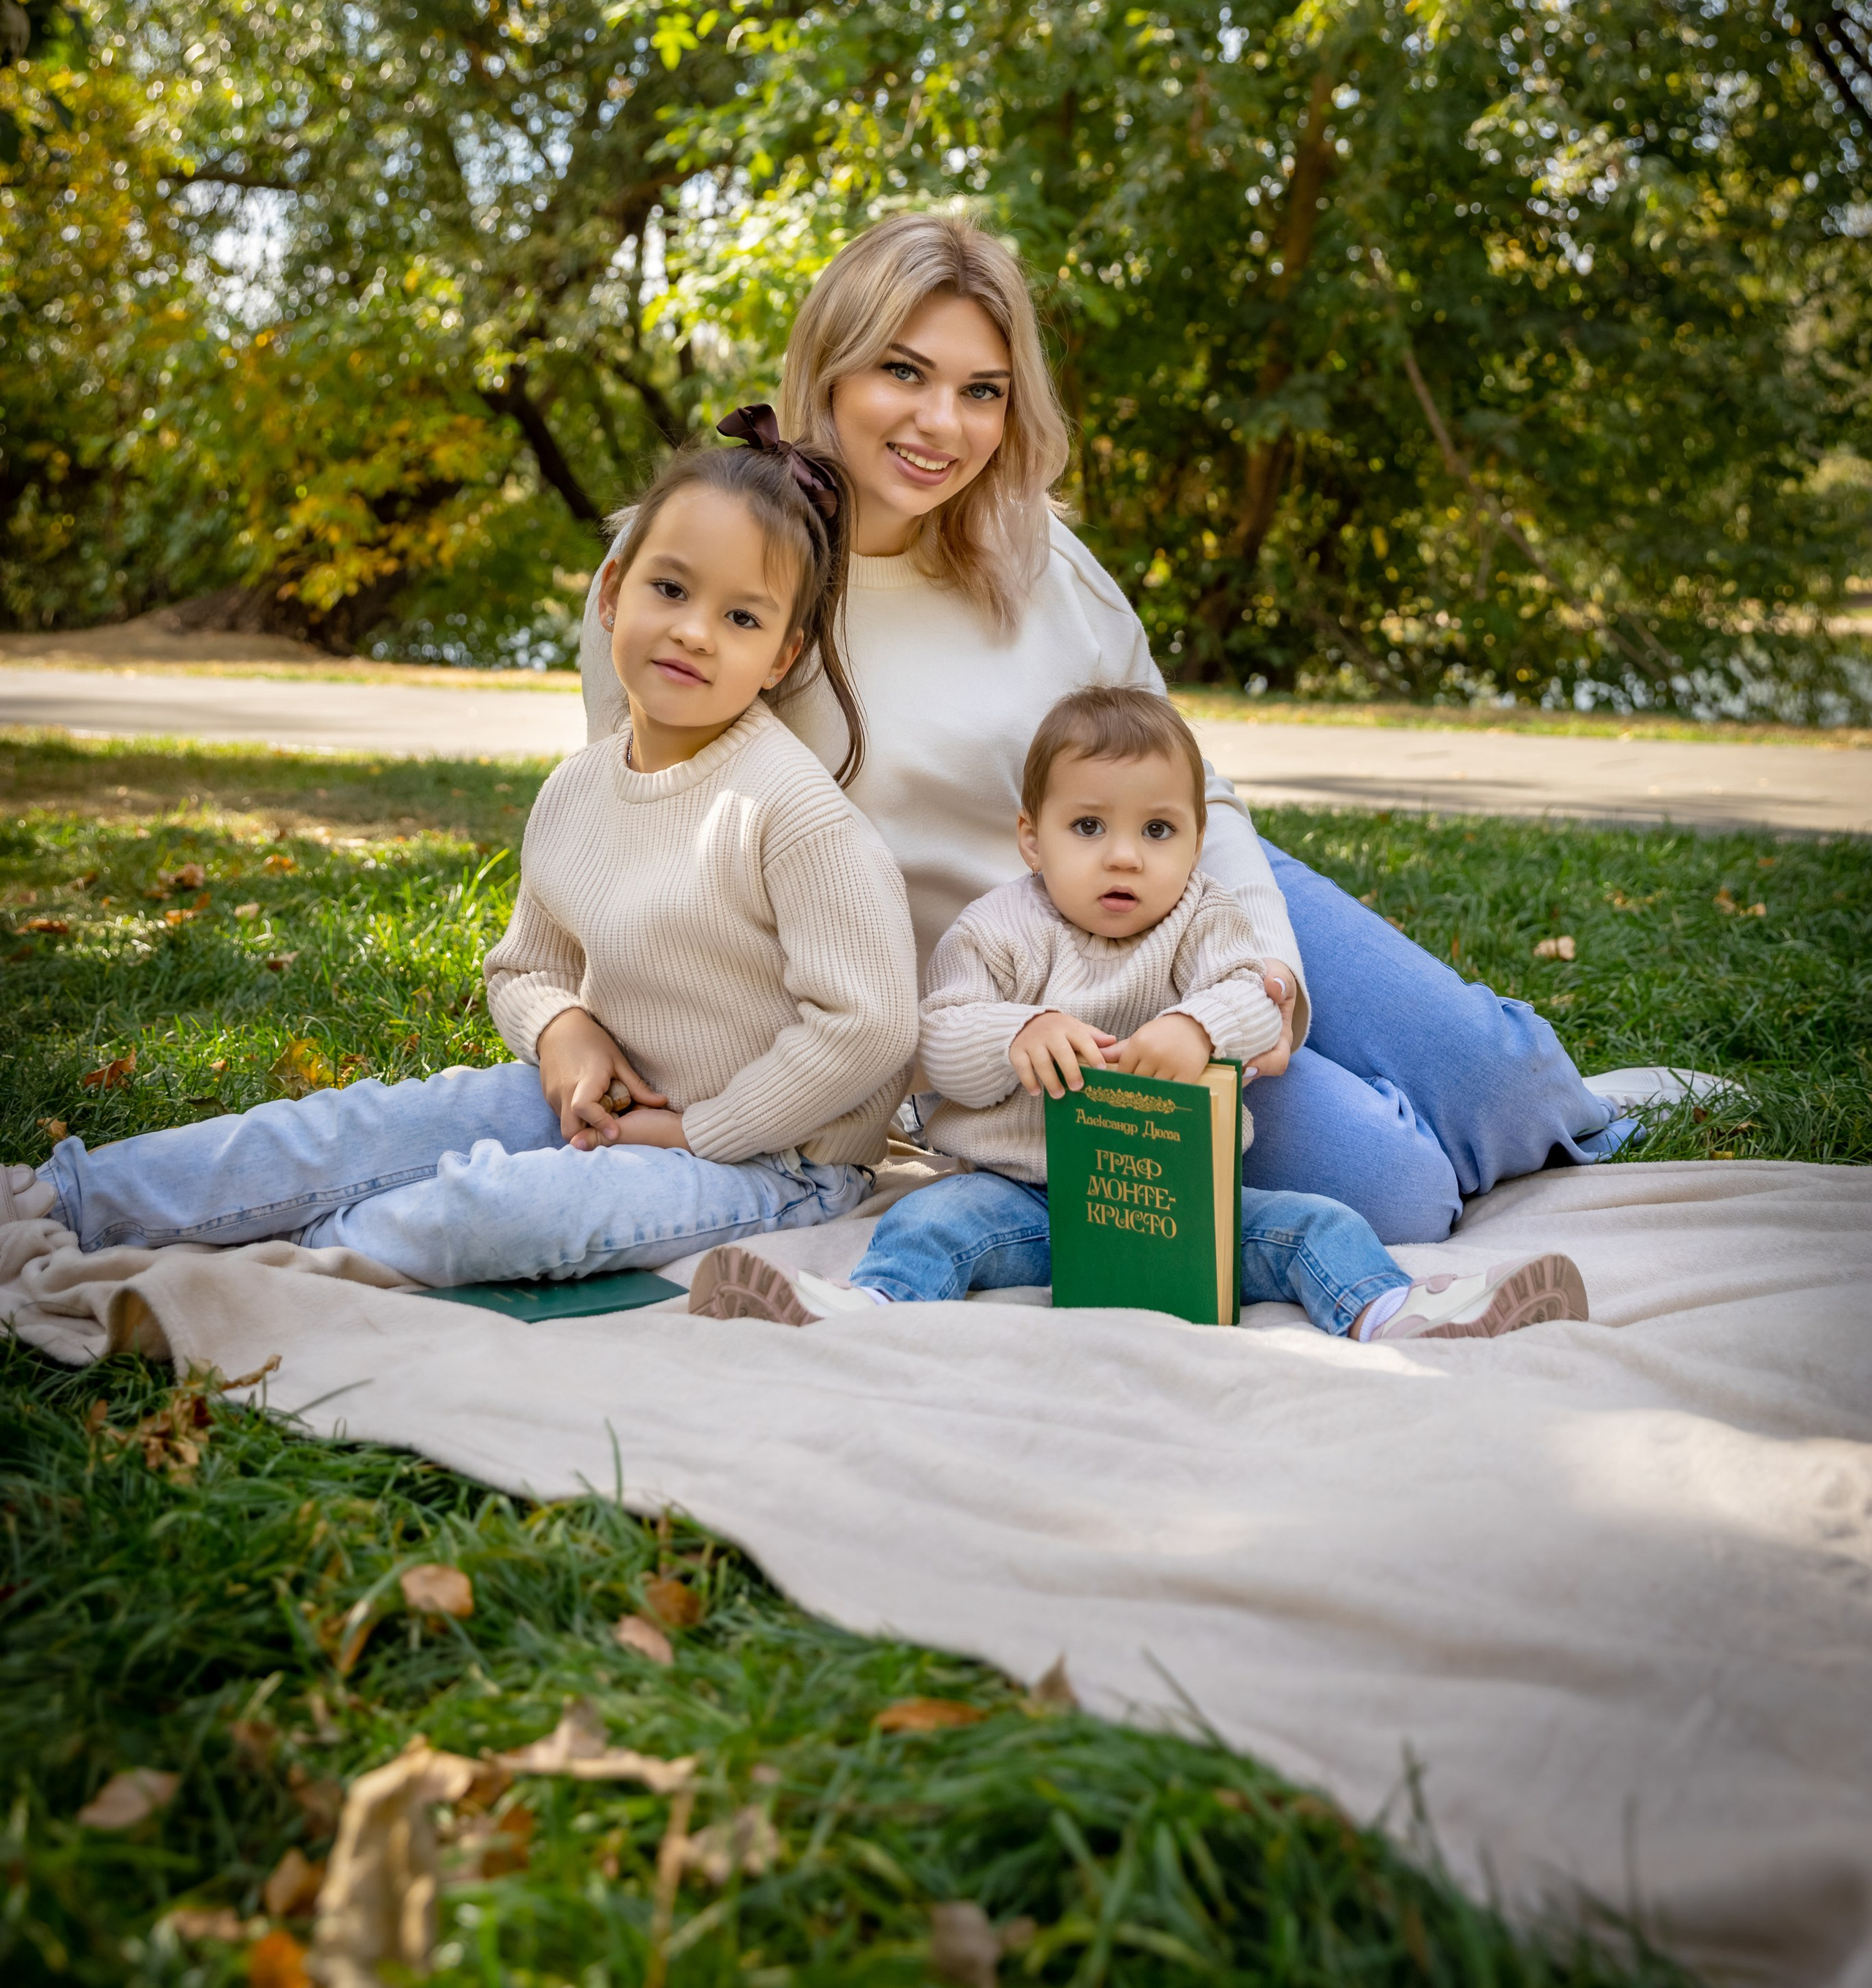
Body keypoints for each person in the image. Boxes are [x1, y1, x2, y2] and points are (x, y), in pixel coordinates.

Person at [578, 216, 1638, 1246]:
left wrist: (1260, 972)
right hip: (1023, 999)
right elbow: (636, 837)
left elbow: (1194, 783)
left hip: (1180, 890)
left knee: (1511, 1093)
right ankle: (1397, 1120)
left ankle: (1528, 1094)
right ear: (830, 370)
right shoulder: (695, 570)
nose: (941, 424)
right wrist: (564, 1023)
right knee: (1396, 1190)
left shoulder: (1031, 549)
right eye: (902, 372)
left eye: (980, 392)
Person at [5, 415, 918, 1284]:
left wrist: (703, 1129)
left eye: (742, 619)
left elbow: (870, 1024)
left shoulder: (791, 812)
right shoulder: (576, 789)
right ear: (611, 594)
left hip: (774, 1161)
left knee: (495, 1212)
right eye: (670, 590)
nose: (692, 630)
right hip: (605, 1106)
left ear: (784, 653)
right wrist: (561, 1029)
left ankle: (295, 1248)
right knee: (351, 1128)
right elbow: (525, 968)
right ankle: (68, 1198)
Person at [686, 688, 1588, 1339]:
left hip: (1181, 1203)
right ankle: (865, 1308)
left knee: (1320, 1223)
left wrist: (1197, 1029)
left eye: (1157, 831)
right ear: (1031, 840)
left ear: (1198, 841)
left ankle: (1399, 1310)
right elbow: (942, 1037)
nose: (1124, 859)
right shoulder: (1001, 927)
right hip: (1024, 1199)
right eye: (1088, 829)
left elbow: (1251, 996)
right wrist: (1019, 1035)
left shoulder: (1203, 918)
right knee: (928, 1222)